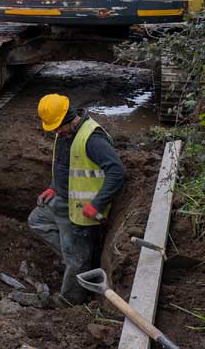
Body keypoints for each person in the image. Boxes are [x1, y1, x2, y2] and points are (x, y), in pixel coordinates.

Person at [28, 94, 124, 305]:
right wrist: (54, 188)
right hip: (62, 201)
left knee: (75, 258)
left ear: (69, 118)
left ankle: (70, 301)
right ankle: (79, 262)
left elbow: (117, 171)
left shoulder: (92, 139)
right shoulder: (64, 133)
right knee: (37, 221)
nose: (55, 132)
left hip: (80, 211)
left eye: (57, 127)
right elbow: (64, 165)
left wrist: (97, 204)